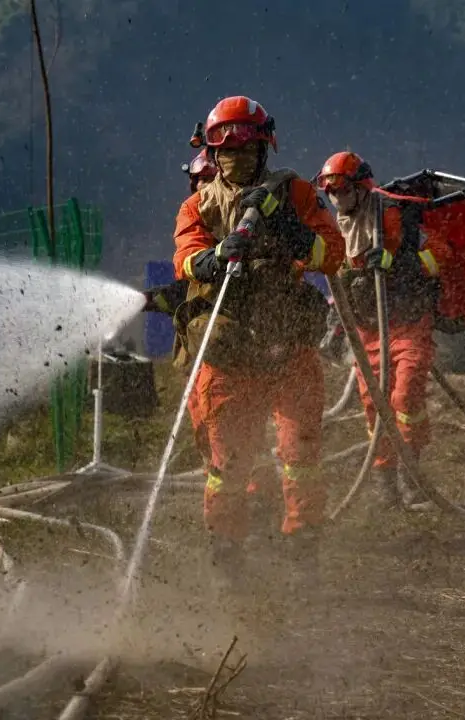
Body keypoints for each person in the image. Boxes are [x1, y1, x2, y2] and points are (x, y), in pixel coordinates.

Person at [172, 95, 345, 580]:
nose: (237, 160)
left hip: (288, 346)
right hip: (229, 357)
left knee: (301, 454)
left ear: (264, 150)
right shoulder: (199, 205)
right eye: (226, 152)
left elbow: (330, 255)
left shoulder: (295, 195)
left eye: (247, 151)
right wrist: (218, 254)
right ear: (213, 155)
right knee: (227, 464)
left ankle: (303, 548)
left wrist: (286, 224)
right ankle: (228, 557)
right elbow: (184, 259)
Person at [315, 151, 449, 511]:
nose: (337, 199)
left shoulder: (393, 214)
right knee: (375, 409)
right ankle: (385, 481)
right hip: (367, 332)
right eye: (330, 192)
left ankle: (411, 473)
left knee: (404, 400)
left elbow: (440, 253)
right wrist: (334, 326)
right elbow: (339, 282)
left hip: (406, 325)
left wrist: (400, 264)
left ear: (360, 187)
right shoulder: (338, 228)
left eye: (342, 190)